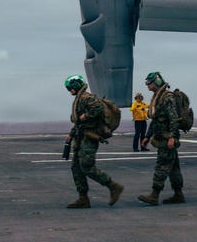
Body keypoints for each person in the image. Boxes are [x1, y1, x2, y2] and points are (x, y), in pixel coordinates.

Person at [63, 75, 124, 208]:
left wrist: (86, 116)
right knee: (76, 168)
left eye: (70, 88)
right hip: (81, 137)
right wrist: (71, 134)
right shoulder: (80, 99)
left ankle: (113, 186)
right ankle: (83, 198)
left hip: (89, 138)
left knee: (87, 166)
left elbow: (98, 107)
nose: (69, 90)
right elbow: (78, 121)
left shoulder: (86, 97)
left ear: (76, 85)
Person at [138, 72, 184, 205]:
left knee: (162, 165)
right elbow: (156, 120)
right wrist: (147, 137)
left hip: (166, 138)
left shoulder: (167, 97)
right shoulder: (157, 97)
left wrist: (172, 137)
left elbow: (174, 119)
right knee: (173, 167)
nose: (148, 85)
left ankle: (154, 195)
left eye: (150, 83)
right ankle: (178, 194)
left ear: (157, 82)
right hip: (162, 136)